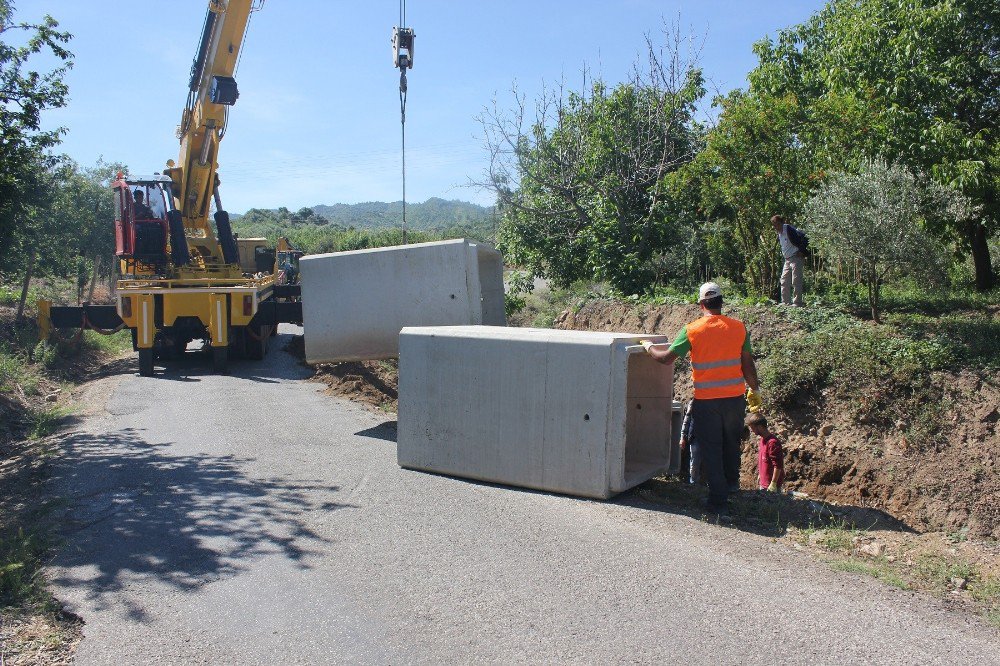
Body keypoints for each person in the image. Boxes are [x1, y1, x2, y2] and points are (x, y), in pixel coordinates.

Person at [641, 281, 762, 514]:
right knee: (730, 443)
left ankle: (718, 501)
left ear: (701, 304)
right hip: (735, 399)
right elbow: (748, 363)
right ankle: (731, 486)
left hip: (707, 401)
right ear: (721, 302)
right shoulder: (738, 327)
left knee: (712, 448)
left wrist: (648, 347)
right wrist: (754, 390)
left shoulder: (693, 330)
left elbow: (666, 358)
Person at [771, 214, 806, 307]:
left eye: (777, 224)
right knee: (784, 280)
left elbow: (802, 238)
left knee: (796, 280)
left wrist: (802, 251)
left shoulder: (789, 229)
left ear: (782, 222)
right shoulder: (779, 233)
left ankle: (797, 302)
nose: (776, 227)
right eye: (774, 225)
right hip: (787, 259)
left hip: (796, 257)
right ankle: (785, 302)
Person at [745, 412, 785, 492]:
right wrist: (761, 475)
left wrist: (773, 484)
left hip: (771, 487)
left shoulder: (772, 443)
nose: (752, 431)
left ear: (759, 427)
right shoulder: (762, 440)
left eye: (753, 428)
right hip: (764, 484)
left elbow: (778, 466)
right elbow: (764, 461)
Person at [678, 399, 703, 484]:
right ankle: (694, 483)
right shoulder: (693, 403)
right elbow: (686, 421)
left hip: (710, 438)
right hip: (695, 437)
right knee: (695, 462)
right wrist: (682, 437)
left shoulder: (714, 402)